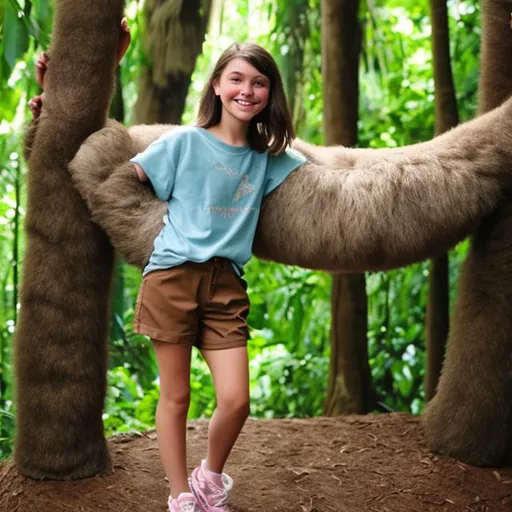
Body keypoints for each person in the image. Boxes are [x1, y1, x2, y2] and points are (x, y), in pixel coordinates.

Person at [129, 42, 306, 512]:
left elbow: (321, 172)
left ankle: (208, 478)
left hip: (226, 284)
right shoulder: (183, 142)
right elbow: (128, 175)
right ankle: (179, 496)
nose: (246, 90)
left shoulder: (268, 157)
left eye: (259, 82)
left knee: (236, 399)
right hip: (171, 277)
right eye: (236, 79)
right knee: (177, 395)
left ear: (270, 92)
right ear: (216, 85)